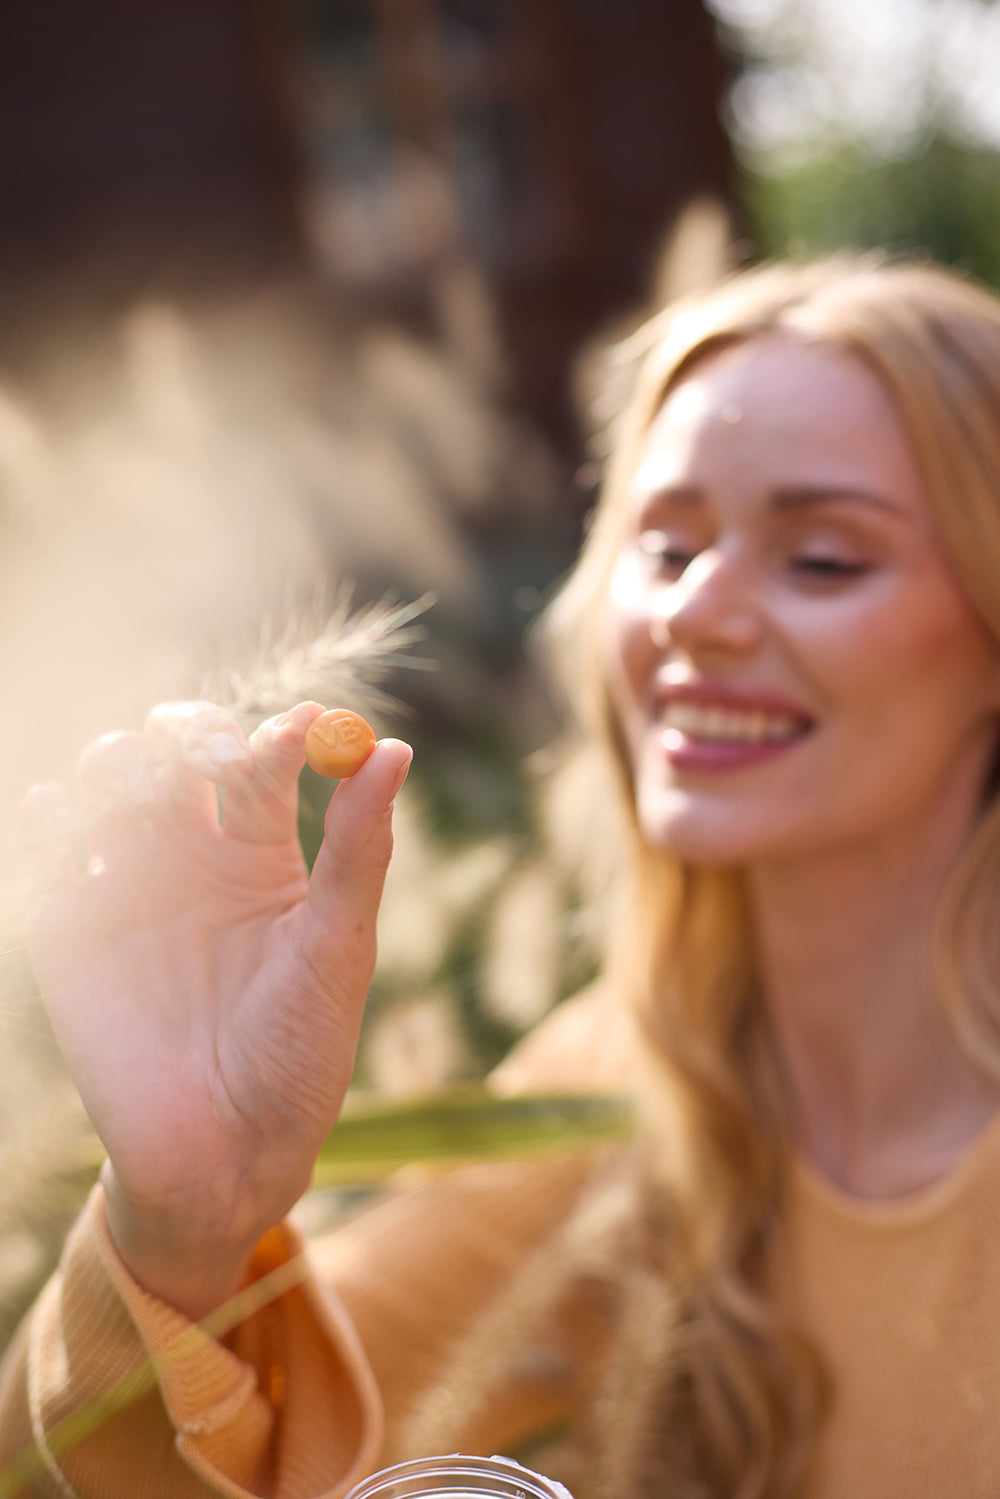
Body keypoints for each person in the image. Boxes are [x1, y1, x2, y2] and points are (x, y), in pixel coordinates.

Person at [4, 253, 1000, 1499]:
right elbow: (128, 1465)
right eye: (666, 543)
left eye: (823, 559)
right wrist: (181, 1224)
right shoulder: (632, 1085)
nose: (695, 612)